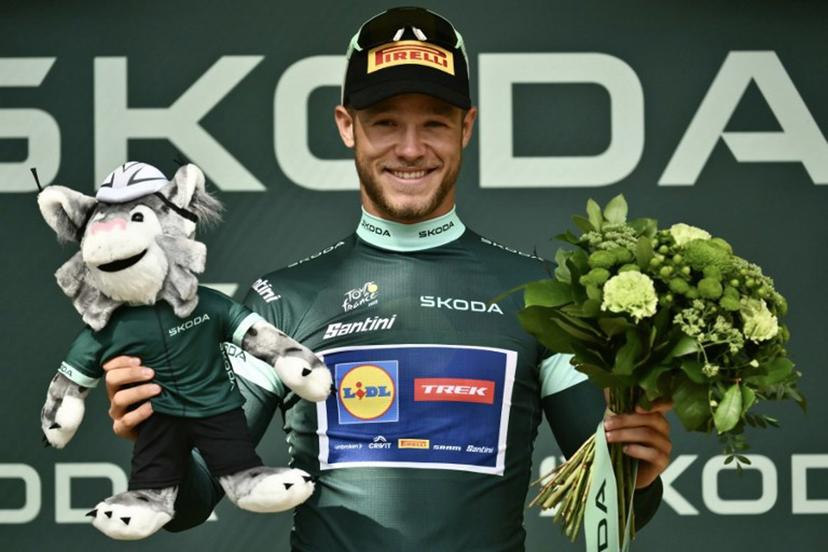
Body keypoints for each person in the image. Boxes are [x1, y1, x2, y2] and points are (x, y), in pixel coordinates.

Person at [103, 7, 672, 551]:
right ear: (347, 126)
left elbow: (611, 505)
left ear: (467, 127)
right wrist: (160, 436)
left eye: (435, 123)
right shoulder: (281, 303)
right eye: (385, 123)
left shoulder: (541, 298)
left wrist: (636, 475)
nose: (410, 148)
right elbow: (194, 499)